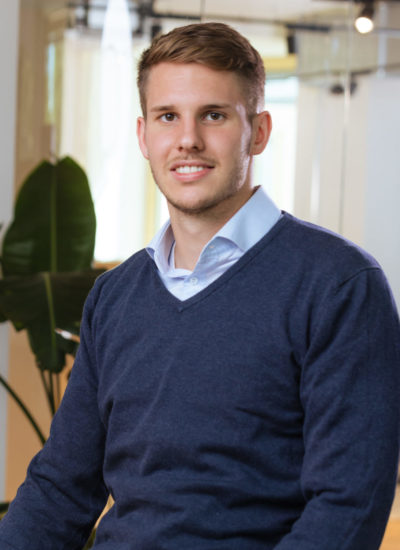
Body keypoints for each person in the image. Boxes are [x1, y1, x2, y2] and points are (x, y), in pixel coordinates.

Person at [1, 22, 399, 550]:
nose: (187, 139)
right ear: (144, 136)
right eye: (168, 116)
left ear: (259, 131)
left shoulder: (339, 285)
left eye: (213, 115)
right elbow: (59, 489)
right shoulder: (115, 296)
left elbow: (347, 507)